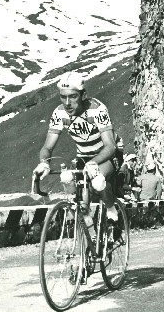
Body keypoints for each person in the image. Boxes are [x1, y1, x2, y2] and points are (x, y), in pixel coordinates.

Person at [33, 71, 122, 223]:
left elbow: (110, 146)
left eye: (73, 96)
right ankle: (86, 227)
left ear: (83, 95)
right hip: (84, 155)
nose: (67, 103)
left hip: (108, 153)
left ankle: (111, 209)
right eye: (63, 97)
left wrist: (94, 162)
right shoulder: (59, 113)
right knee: (67, 179)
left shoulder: (97, 109)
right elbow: (47, 147)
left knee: (98, 181)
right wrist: (44, 162)